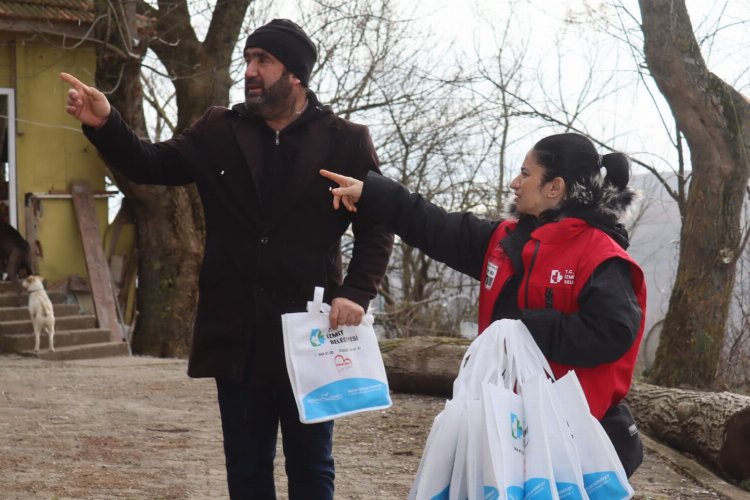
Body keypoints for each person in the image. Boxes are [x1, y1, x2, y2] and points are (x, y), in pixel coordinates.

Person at [62, 18, 393, 500]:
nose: (251, 70)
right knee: (245, 466)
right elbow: (149, 165)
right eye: (248, 59)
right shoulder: (218, 128)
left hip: (312, 329)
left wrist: (357, 292)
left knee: (312, 466)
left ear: (296, 74)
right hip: (235, 331)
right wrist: (106, 123)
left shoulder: (345, 140)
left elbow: (376, 224)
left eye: (264, 60)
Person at [321, 132, 647, 477]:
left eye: (525, 173)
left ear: (555, 188)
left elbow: (613, 331)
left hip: (571, 441)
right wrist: (373, 193)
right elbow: (435, 226)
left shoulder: (600, 255)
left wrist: (524, 329)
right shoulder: (503, 240)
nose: (514, 183)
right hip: (506, 430)